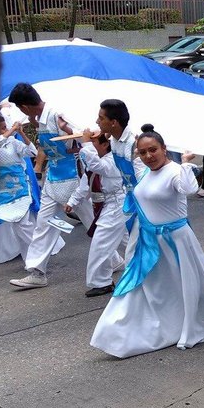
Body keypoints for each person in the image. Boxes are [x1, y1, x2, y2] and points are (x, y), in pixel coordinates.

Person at [90, 125, 204, 357]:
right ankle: (116, 334)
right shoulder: (146, 172)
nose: (148, 156)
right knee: (145, 287)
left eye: (153, 150)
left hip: (176, 241)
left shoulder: (176, 171)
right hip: (149, 241)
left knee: (193, 285)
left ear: (164, 149)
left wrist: (187, 163)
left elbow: (188, 188)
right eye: (142, 152)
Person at [7, 82, 93, 290]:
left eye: (19, 107)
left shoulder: (57, 116)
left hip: (72, 180)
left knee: (94, 222)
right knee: (44, 225)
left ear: (25, 106)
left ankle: (120, 257)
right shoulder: (40, 119)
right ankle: (37, 271)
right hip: (52, 180)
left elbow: (80, 139)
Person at [76, 99, 138, 298]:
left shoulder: (132, 143)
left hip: (128, 200)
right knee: (130, 241)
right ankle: (117, 278)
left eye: (101, 118)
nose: (97, 122)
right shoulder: (115, 142)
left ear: (114, 122)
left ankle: (105, 281)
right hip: (124, 200)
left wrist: (86, 144)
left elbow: (104, 168)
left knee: (105, 240)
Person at [0, 115, 61, 265]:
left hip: (20, 189)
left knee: (22, 225)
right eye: (2, 127)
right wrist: (12, 129)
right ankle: (30, 259)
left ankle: (39, 254)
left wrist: (22, 134)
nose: (6, 129)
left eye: (5, 126)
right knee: (18, 227)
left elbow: (32, 153)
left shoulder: (13, 142)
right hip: (2, 193)